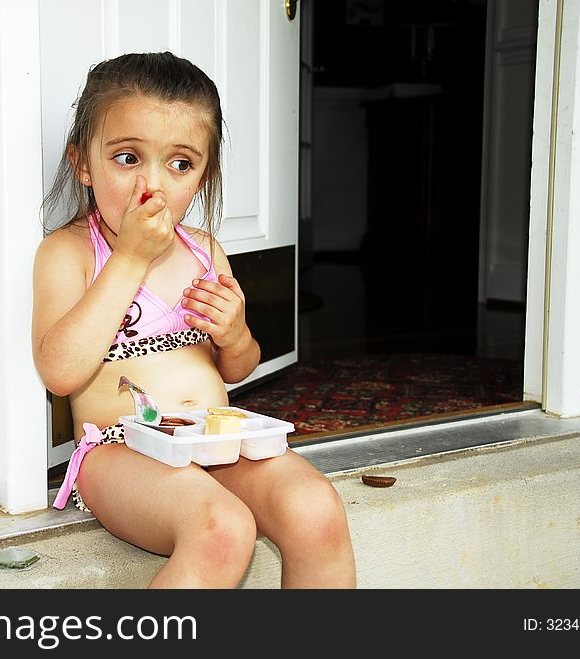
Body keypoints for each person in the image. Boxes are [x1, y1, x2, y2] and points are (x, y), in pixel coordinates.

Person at [32, 51, 356, 588]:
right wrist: (130, 257)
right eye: (128, 158)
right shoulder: (69, 254)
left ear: (204, 176)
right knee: (223, 529)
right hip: (120, 452)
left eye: (180, 163)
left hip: (215, 439)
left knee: (314, 509)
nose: (151, 186)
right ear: (83, 164)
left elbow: (238, 368)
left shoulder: (204, 250)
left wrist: (236, 334)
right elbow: (60, 372)